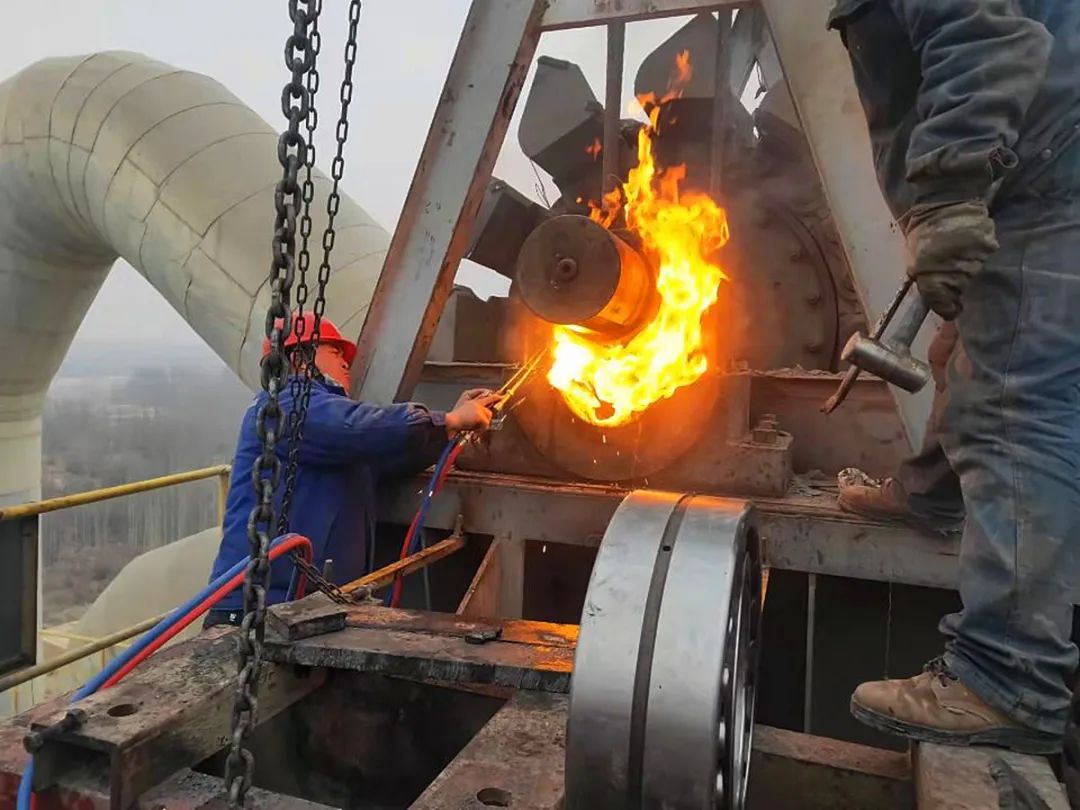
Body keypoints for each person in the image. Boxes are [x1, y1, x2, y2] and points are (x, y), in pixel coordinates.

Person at [828, 0, 1080, 753]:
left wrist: (944, 195)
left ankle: (1008, 676)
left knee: (1012, 404)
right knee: (966, 360)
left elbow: (982, 36)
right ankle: (932, 494)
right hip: (1040, 162)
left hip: (1042, 175)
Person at [204, 312, 498, 628]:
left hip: (303, 608)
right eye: (335, 352)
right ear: (300, 359)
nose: (346, 363)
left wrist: (448, 428)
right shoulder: (285, 406)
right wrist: (449, 420)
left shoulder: (330, 438)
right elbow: (361, 425)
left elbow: (388, 457)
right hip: (254, 613)